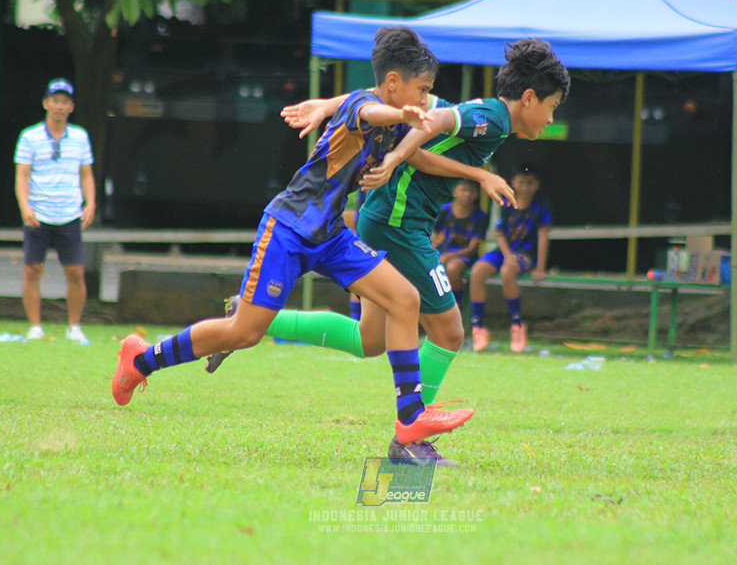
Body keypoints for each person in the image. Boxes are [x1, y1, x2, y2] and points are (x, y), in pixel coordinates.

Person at [111, 27, 476, 448]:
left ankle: (410, 418)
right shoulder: (370, 106)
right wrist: (403, 116)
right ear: (393, 83)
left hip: (332, 235)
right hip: (288, 229)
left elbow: (415, 150)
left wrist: (477, 173)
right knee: (244, 332)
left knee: (405, 299)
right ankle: (140, 359)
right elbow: (369, 112)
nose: (425, 99)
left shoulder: (391, 113)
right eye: (422, 90)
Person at [224, 39, 569, 464]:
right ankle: (409, 439)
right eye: (551, 106)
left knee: (369, 339)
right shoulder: (492, 119)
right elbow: (432, 121)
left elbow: (410, 116)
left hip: (386, 218)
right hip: (398, 225)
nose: (552, 118)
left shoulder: (485, 114)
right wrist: (394, 162)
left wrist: (329, 105)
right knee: (448, 332)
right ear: (529, 98)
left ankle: (251, 314)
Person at [14, 78, 95, 345]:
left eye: (65, 102)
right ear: (46, 103)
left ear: (71, 107)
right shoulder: (30, 136)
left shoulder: (80, 137)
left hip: (69, 213)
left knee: (75, 272)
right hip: (38, 213)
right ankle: (35, 326)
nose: (59, 107)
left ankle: (74, 326)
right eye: (55, 101)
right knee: (32, 269)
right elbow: (22, 174)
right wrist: (25, 206)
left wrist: (90, 203)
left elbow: (86, 174)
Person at [469, 163, 552, 353]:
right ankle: (478, 326)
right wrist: (507, 255)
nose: (524, 187)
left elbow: (542, 236)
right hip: (504, 251)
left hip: (526, 253)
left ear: (537, 185)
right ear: (513, 183)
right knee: (477, 271)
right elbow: (499, 232)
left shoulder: (541, 205)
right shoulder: (507, 201)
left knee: (508, 272)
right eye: (521, 183)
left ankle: (517, 324)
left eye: (529, 183)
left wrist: (540, 267)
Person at [431, 179, 489, 307]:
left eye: (471, 191)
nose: (467, 194)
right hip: (442, 251)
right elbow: (434, 233)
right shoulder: (445, 210)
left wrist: (449, 256)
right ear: (454, 191)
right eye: (463, 190)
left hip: (464, 254)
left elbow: (472, 248)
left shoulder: (480, 216)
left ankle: (456, 305)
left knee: (452, 268)